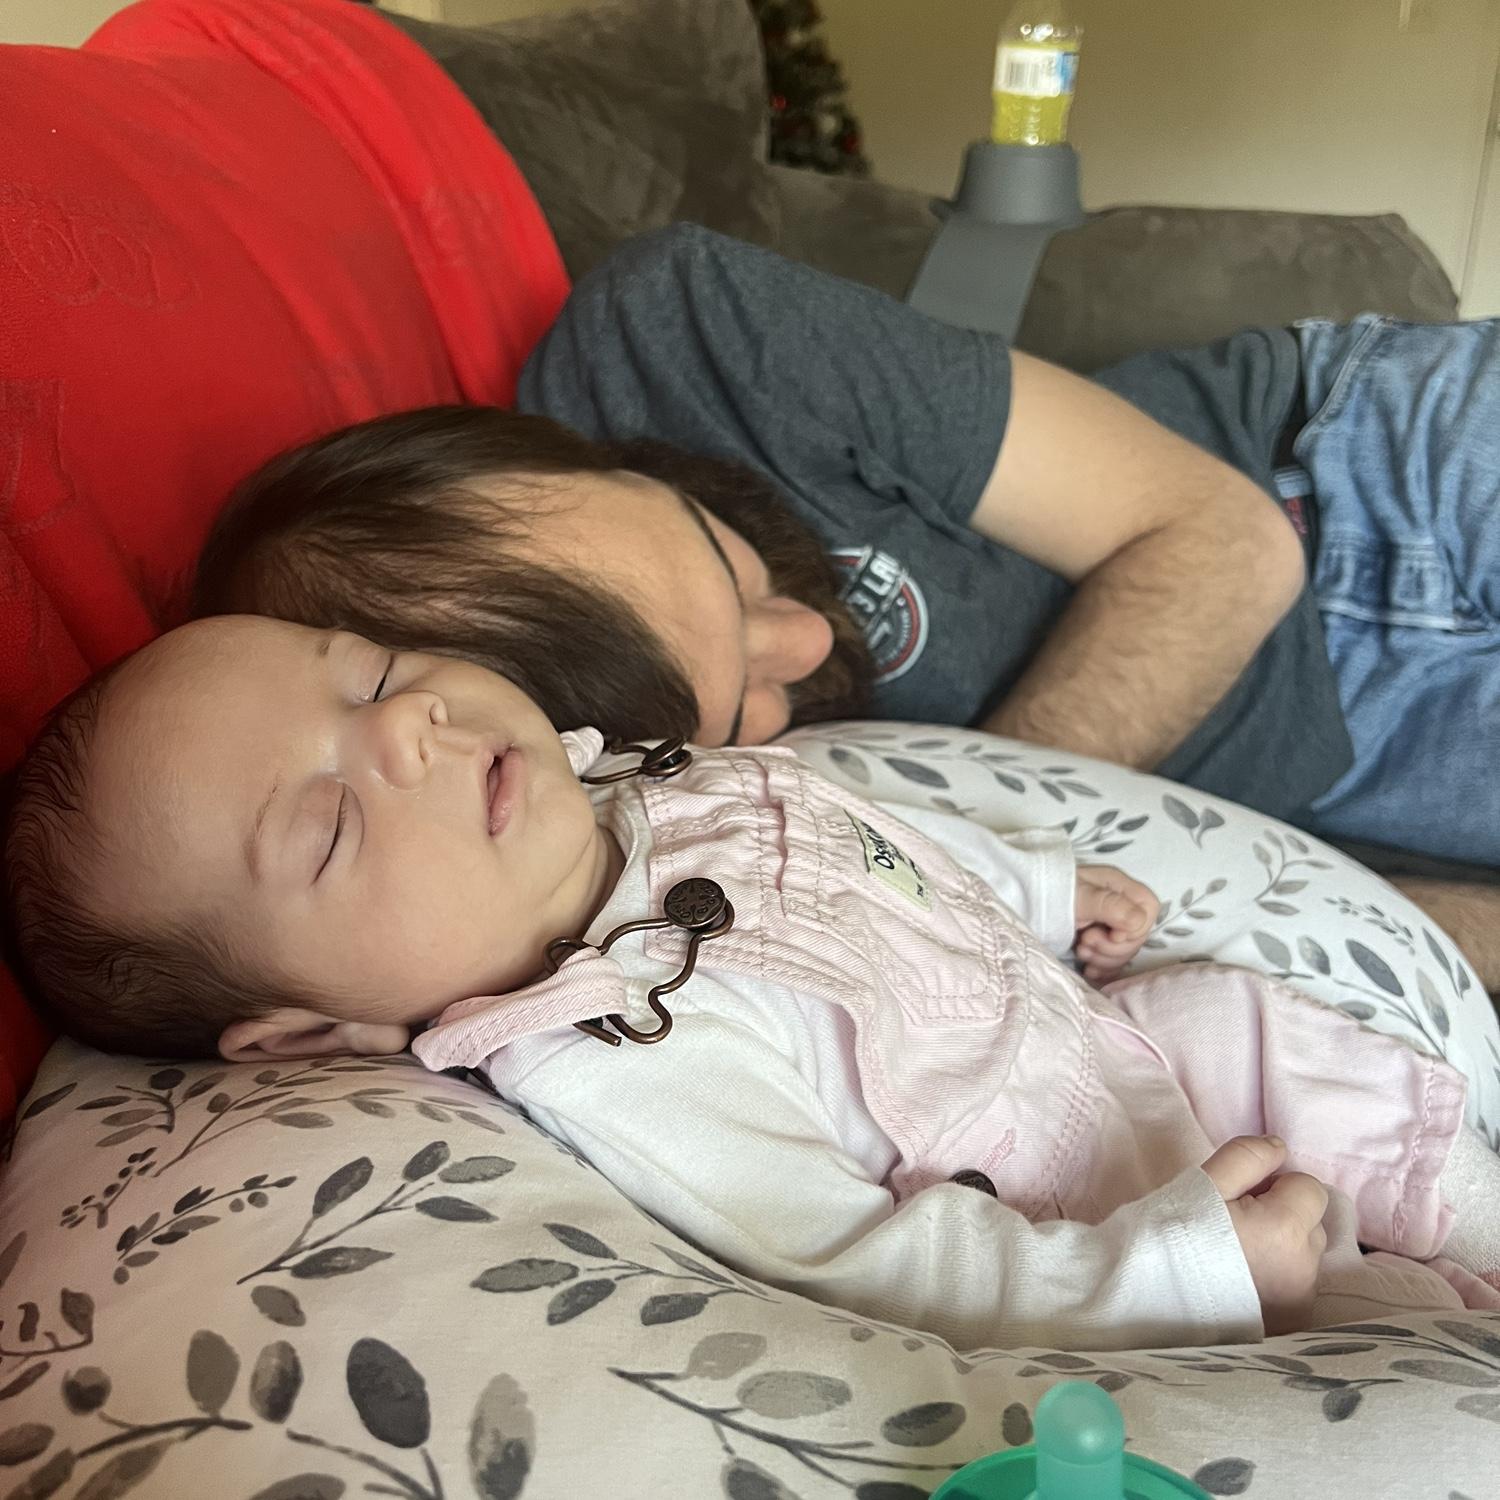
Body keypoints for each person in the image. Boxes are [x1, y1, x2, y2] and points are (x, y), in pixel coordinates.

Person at [7, 615, 1499, 1354]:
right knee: (1354, 1302)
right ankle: (1430, 1313)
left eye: (375, 672)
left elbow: (872, 841)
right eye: (330, 825)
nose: (409, 730)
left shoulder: (635, 783)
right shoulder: (612, 1050)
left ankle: (1470, 1199)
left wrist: (1038, 891)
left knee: (1232, 1010)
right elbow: (864, 1261)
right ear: (309, 1031)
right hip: (1082, 1201)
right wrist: (1174, 1276)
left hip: (1091, 1032)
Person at [192, 228, 1500, 986]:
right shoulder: (599, 820)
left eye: (726, 562)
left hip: (1353, 476)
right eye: (754, 702)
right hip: (1322, 781)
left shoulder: (678, 331)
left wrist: (973, 854)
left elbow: (1221, 543)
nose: (809, 641)